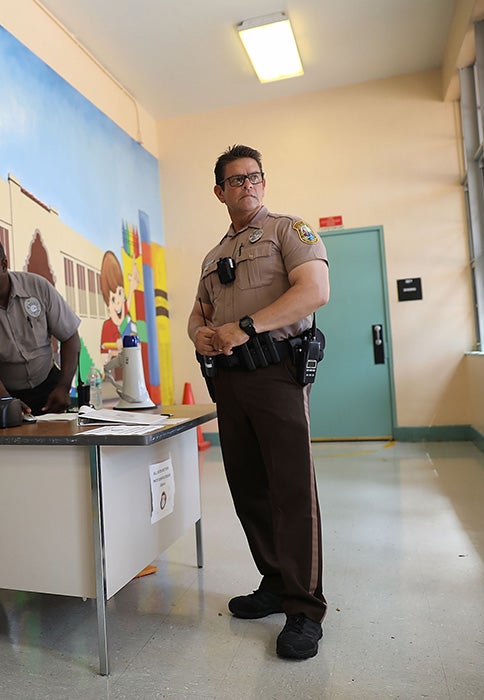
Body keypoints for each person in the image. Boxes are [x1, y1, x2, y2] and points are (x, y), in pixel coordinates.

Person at [187, 144, 330, 660]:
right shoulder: (211, 255)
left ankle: (304, 609)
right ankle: (273, 583)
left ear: (263, 184)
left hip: (277, 373)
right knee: (247, 488)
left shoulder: (290, 232)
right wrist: (201, 335)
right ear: (220, 191)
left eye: (255, 177)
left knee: (291, 490)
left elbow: (315, 291)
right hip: (229, 382)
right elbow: (196, 315)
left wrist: (246, 327)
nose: (248, 186)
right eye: (237, 179)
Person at [0, 235, 82, 416]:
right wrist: (7, 403)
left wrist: (63, 386)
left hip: (48, 388)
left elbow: (70, 337)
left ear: (4, 265)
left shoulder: (38, 288)